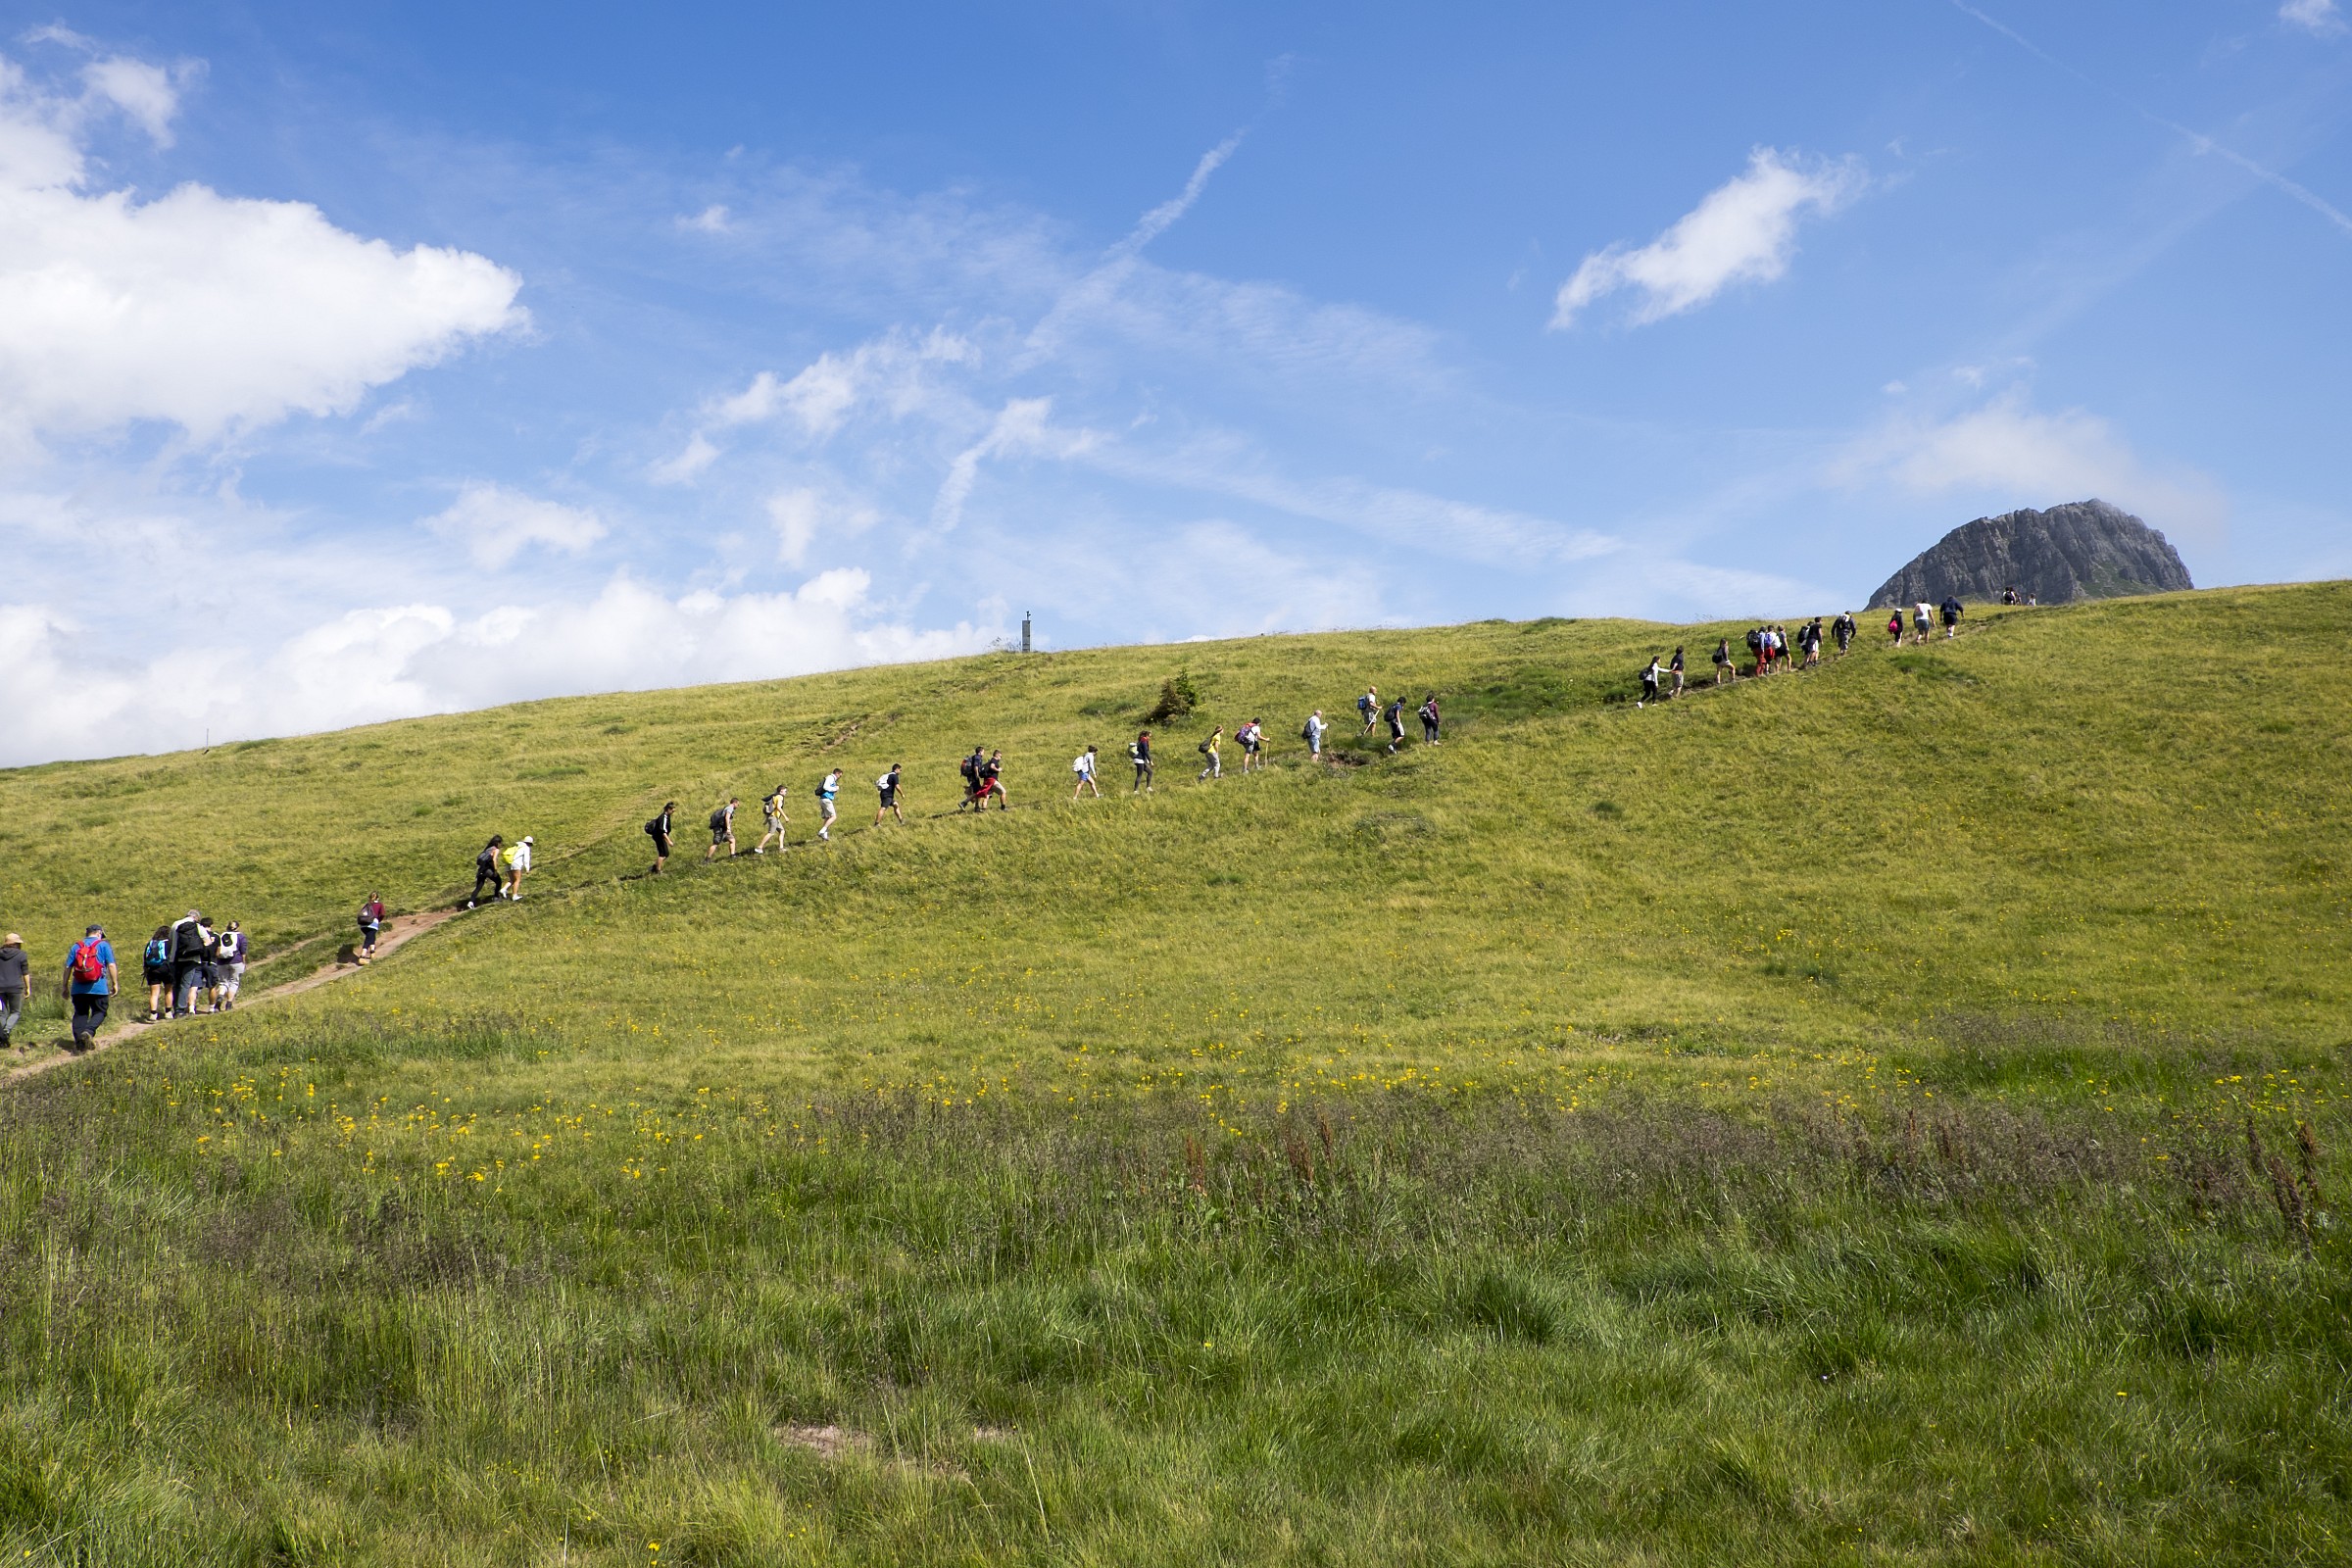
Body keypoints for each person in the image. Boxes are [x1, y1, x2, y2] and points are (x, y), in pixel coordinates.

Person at [62, 924, 115, 1051]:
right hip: (99, 988)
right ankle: (88, 1032)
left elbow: (68, 967)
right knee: (100, 1011)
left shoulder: (76, 946)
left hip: (78, 988)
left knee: (80, 1013)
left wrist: (65, 986)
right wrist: (115, 983)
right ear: (99, 933)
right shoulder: (103, 945)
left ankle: (80, 1045)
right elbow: (111, 965)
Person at [169, 908, 207, 1015]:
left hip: (175, 958)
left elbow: (170, 940)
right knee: (185, 984)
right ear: (196, 918)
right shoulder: (197, 926)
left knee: (176, 984)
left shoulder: (175, 924)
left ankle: (175, 1008)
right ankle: (180, 1010)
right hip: (192, 958)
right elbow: (207, 941)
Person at [0, 933, 26, 1050]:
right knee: (15, 1012)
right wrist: (28, 987)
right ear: (15, 944)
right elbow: (25, 972)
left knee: (2, 1013)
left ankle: (2, 1037)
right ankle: (6, 1031)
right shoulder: (21, 955)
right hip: (15, 988)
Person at [141, 924, 173, 1019]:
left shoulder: (151, 943)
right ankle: (168, 1012)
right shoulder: (169, 943)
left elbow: (145, 957)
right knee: (168, 991)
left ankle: (153, 1014)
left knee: (154, 993)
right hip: (166, 968)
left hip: (152, 969)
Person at [215, 921, 247, 1010]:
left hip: (222, 962)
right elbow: (243, 952)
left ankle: (220, 996)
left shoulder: (222, 935)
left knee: (223, 982)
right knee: (234, 982)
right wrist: (244, 962)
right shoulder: (240, 936)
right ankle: (229, 1003)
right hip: (236, 961)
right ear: (237, 927)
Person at [468, 837, 506, 906]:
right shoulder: (496, 849)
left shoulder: (488, 849)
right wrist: (495, 870)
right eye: (500, 843)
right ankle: (496, 897)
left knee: (478, 887)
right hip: (488, 870)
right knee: (499, 881)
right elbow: (494, 860)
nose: (501, 845)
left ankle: (471, 902)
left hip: (481, 870)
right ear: (498, 843)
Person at [753, 784, 790, 853]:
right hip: (774, 818)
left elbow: (772, 807)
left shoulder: (774, 796)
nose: (786, 793)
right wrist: (785, 817)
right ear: (781, 791)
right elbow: (778, 807)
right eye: (785, 791)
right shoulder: (780, 797)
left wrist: (766, 820)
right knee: (771, 833)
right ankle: (759, 847)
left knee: (782, 831)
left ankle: (781, 848)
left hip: (774, 817)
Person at [646, 802, 676, 874]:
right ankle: (658, 871)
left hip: (660, 837)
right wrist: (669, 841)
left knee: (666, 853)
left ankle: (654, 867)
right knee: (663, 854)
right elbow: (662, 830)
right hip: (659, 837)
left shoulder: (666, 816)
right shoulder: (663, 818)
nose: (673, 813)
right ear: (668, 809)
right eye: (672, 811)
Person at [358, 894, 386, 964]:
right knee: (368, 939)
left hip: (363, 925)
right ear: (378, 898)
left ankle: (372, 953)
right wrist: (378, 920)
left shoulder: (367, 905)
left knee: (371, 937)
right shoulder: (379, 905)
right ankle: (362, 957)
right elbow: (382, 914)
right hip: (372, 924)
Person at [957, 746, 986, 811]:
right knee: (978, 791)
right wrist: (977, 774)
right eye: (983, 752)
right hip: (973, 777)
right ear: (980, 752)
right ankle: (964, 803)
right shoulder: (977, 757)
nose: (984, 753)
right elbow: (976, 766)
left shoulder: (974, 757)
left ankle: (976, 807)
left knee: (977, 791)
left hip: (971, 776)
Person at [816, 769, 842, 839]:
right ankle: (822, 831)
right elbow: (825, 787)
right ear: (837, 773)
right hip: (826, 799)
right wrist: (835, 789)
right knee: (834, 817)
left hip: (823, 799)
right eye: (840, 775)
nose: (839, 777)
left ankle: (825, 835)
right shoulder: (830, 778)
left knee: (827, 817)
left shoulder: (831, 779)